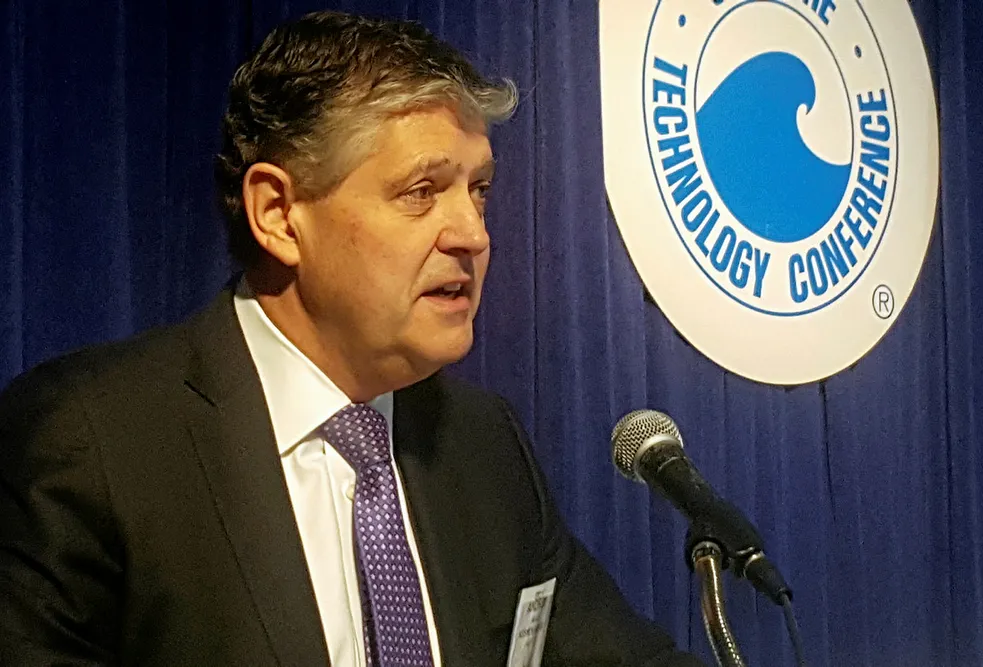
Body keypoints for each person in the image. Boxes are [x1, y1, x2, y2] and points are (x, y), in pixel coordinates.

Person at [0, 10, 705, 667]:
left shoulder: (485, 445)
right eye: (421, 191)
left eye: (479, 190)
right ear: (279, 214)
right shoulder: (92, 446)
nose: (472, 234)